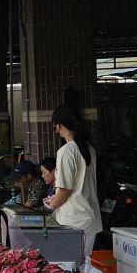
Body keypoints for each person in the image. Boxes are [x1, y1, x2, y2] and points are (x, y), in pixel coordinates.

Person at [44, 106, 103, 261]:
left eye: (55, 126)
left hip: (73, 220)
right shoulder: (88, 148)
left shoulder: (66, 151)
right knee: (83, 268)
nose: (56, 131)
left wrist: (49, 208)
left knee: (69, 267)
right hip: (89, 217)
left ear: (59, 125)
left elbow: (64, 190)